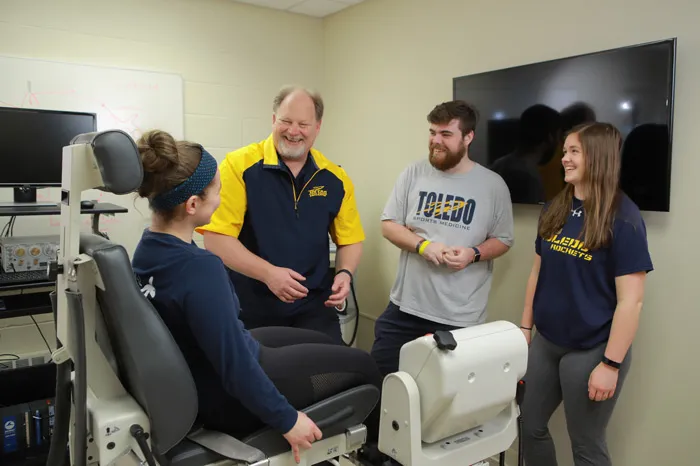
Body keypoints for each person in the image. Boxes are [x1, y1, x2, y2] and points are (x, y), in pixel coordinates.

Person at [130, 130, 382, 464]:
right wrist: (288, 421)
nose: (221, 199)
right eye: (217, 191)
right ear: (192, 205)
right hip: (226, 397)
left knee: (328, 344)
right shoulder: (200, 268)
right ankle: (380, 454)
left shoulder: (148, 248)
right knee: (364, 364)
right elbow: (235, 368)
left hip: (206, 370)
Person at [518, 122, 653, 466]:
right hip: (547, 342)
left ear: (597, 157)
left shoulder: (624, 219)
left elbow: (631, 301)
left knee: (586, 445)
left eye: (573, 151)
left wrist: (611, 364)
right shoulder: (554, 208)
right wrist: (524, 328)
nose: (564, 158)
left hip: (592, 349)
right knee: (529, 425)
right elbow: (537, 273)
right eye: (565, 151)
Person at [196, 86, 364, 345]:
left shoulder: (335, 178)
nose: (293, 131)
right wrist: (269, 274)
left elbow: (350, 239)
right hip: (251, 309)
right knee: (263, 382)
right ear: (274, 120)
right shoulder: (238, 165)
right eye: (286, 121)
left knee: (328, 376)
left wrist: (345, 273)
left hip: (314, 310)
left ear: (317, 127)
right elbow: (216, 239)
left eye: (303, 124)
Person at [371, 100, 514, 377]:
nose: (436, 141)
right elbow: (389, 225)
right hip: (404, 308)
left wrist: (472, 254)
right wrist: (423, 246)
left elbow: (504, 239)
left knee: (445, 401)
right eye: (432, 132)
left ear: (468, 137)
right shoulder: (414, 173)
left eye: (446, 134)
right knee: (380, 384)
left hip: (459, 318)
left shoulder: (492, 185)